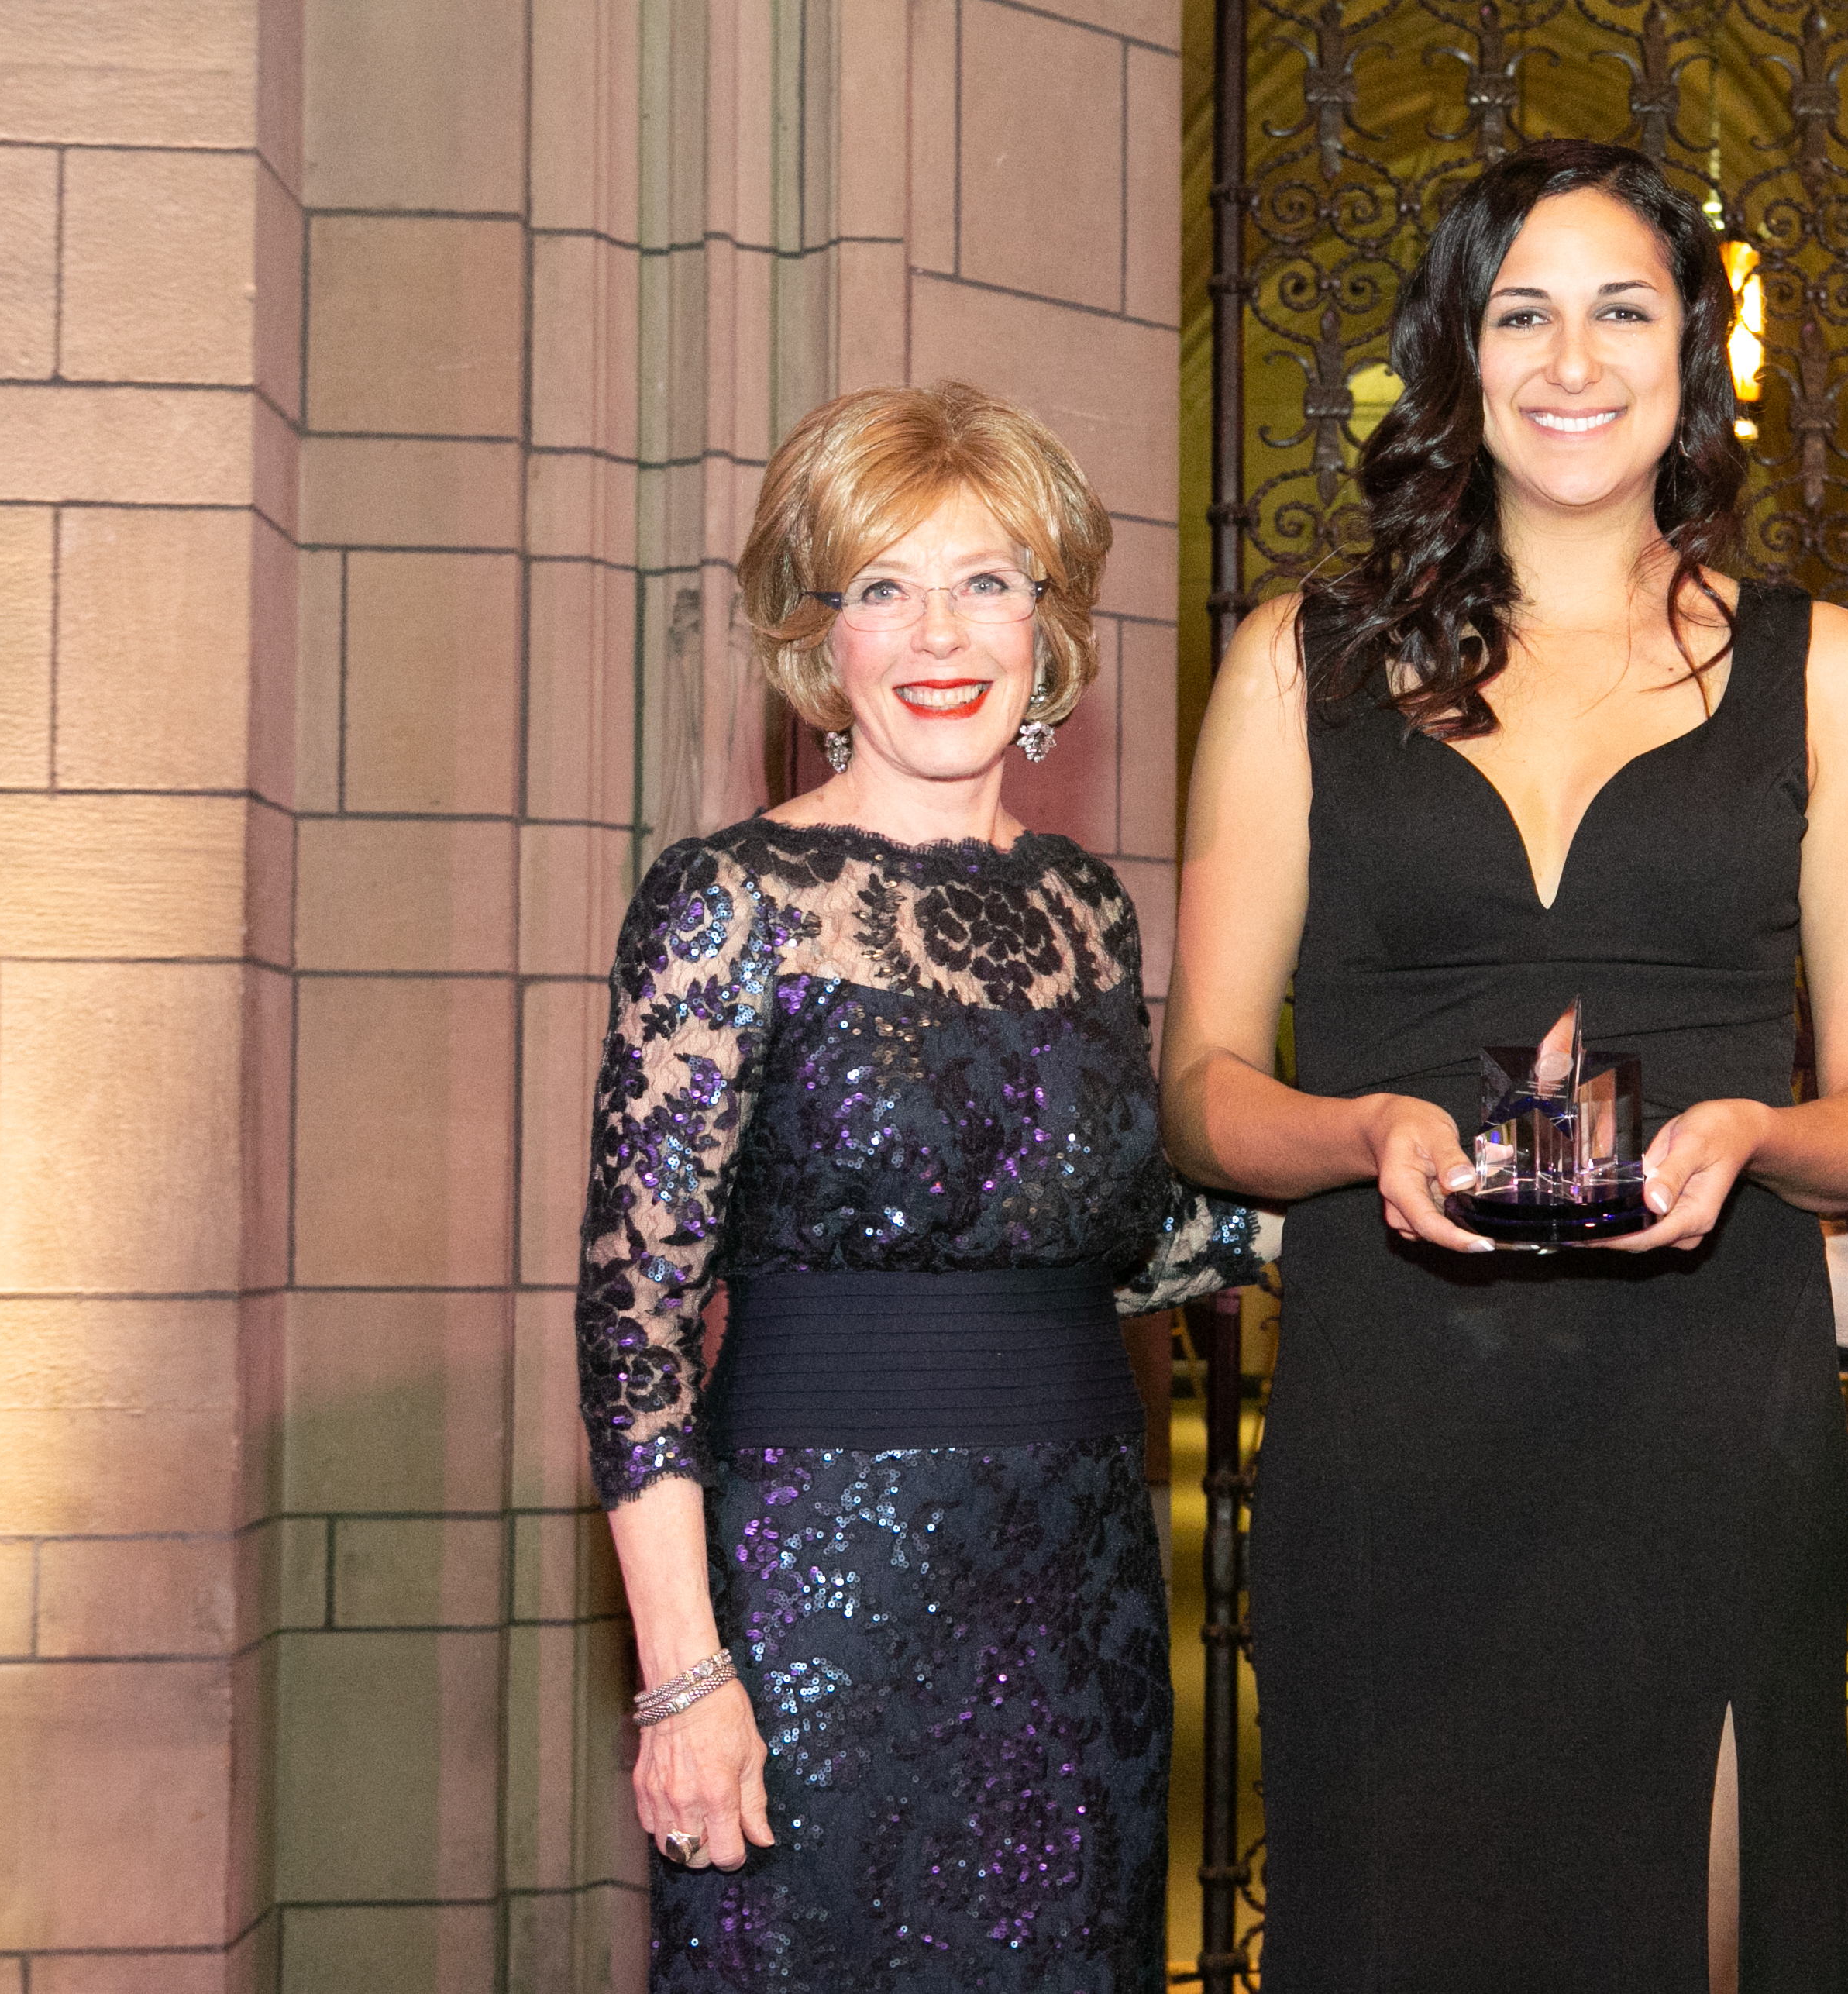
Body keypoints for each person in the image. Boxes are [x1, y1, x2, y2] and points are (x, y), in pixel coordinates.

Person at [1161, 139, 1848, 1992]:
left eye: (1621, 310)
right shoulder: (1296, 662)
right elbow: (1198, 1082)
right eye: (1523, 314)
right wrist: (1354, 1130)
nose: (1572, 361)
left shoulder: (1828, 674)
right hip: (1397, 1412)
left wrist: (1753, 1135)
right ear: (1459, 353)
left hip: (1704, 1416)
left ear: (1697, 355)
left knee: (1716, 1937)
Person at [574, 381, 1264, 1990]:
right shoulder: (730, 905)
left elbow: (1115, 1236)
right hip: (822, 1593)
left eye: (987, 582)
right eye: (884, 587)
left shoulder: (1087, 908)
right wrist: (685, 1677)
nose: (939, 634)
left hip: (1081, 1589)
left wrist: (1359, 1169)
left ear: (1050, 623)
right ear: (823, 640)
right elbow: (636, 1324)